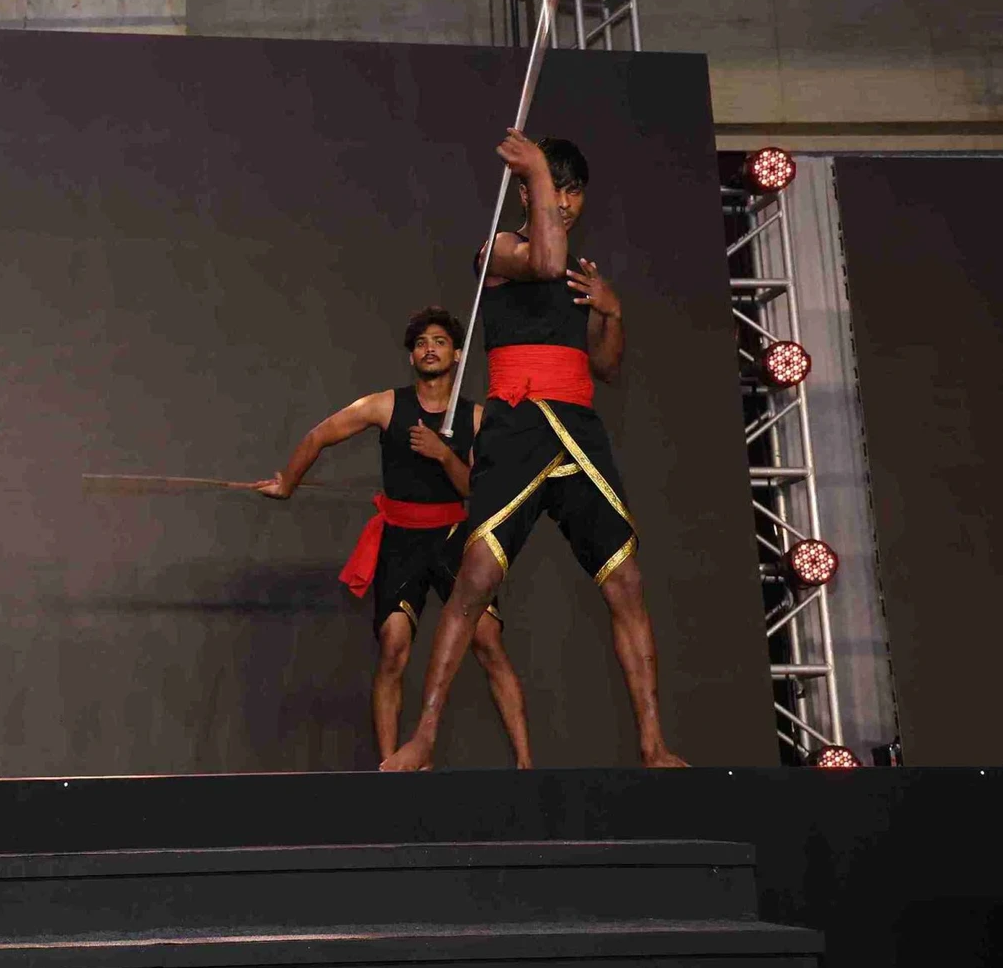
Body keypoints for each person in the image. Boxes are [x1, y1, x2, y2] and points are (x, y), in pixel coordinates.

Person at [384, 131, 685, 771]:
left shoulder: (579, 268)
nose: (566, 202)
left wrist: (612, 313)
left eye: (575, 191)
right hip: (517, 426)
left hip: (578, 427)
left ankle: (654, 745)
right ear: (524, 190)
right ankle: (425, 737)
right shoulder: (496, 250)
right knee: (474, 582)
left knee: (627, 581)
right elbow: (543, 261)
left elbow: (605, 366)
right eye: (555, 188)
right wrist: (536, 173)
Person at [256, 308, 532, 768]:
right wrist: (288, 481)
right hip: (401, 539)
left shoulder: (478, 419)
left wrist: (444, 456)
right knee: (393, 648)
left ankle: (525, 764)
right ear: (411, 356)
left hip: (452, 538)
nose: (430, 347)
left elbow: (477, 493)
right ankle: (390, 771)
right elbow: (321, 435)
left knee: (488, 642)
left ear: (457, 354)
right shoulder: (385, 406)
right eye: (422, 341)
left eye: (440, 341)